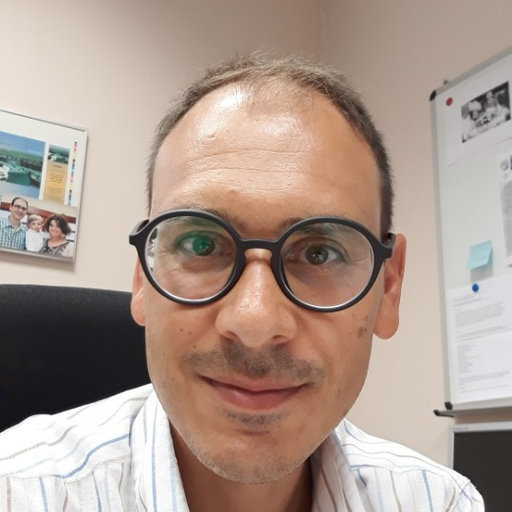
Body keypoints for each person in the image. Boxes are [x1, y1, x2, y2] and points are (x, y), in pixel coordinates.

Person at [0, 55, 484, 511]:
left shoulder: (439, 501)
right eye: (200, 245)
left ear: (389, 287)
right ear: (143, 279)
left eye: (319, 253)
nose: (255, 322)